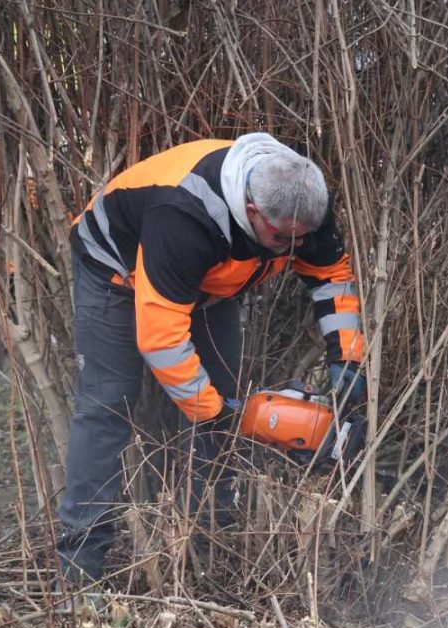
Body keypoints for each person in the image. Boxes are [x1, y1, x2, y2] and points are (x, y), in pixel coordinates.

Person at [57, 133, 365, 582]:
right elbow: (161, 337)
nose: (291, 250)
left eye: (301, 240)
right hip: (116, 271)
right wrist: (215, 414)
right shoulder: (182, 214)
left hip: (209, 284)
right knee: (108, 404)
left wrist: (347, 360)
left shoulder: (303, 203)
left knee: (220, 393)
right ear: (254, 211)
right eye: (281, 240)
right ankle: (80, 569)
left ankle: (208, 546)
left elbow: (331, 277)